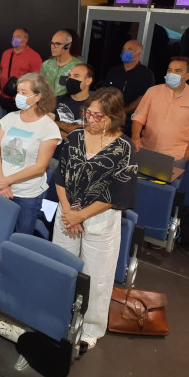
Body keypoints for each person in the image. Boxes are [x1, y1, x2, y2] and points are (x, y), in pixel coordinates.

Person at [53, 87, 138, 350]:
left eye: (97, 116)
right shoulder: (75, 137)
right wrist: (69, 212)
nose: (89, 119)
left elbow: (117, 194)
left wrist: (82, 215)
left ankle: (91, 328)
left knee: (97, 275)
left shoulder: (125, 148)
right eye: (87, 113)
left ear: (113, 117)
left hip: (100, 218)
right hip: (67, 214)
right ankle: (57, 316)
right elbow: (60, 176)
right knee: (62, 269)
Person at [0, 73, 60, 234]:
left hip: (27, 195)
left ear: (38, 97)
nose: (18, 96)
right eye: (18, 91)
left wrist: (7, 181)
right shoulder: (10, 118)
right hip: (0, 187)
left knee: (21, 238)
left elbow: (40, 167)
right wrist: (2, 183)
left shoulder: (48, 128)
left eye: (24, 93)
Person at [132, 56, 189, 169]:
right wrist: (135, 136)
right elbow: (138, 118)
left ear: (188, 76)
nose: (172, 74)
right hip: (145, 150)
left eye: (178, 71)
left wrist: (185, 158)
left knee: (167, 187)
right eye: (169, 70)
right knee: (140, 185)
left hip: (175, 157)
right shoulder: (153, 92)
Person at [99, 40, 155, 132]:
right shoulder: (114, 71)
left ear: (138, 54)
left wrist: (123, 111)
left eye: (129, 49)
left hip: (130, 120)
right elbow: (105, 92)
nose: (125, 52)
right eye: (123, 49)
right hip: (108, 115)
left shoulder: (146, 74)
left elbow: (143, 98)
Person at [0, 28, 42, 113]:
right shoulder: (6, 53)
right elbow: (0, 71)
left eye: (18, 36)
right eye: (13, 37)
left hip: (21, 99)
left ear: (26, 39)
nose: (14, 39)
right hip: (3, 97)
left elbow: (37, 79)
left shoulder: (34, 56)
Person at [53, 63, 94, 139]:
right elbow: (48, 128)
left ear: (88, 81)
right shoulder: (56, 100)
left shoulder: (96, 105)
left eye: (76, 76)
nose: (70, 79)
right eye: (69, 76)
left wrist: (58, 123)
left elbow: (88, 133)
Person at [40, 29, 83, 96]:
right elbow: (41, 86)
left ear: (67, 46)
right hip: (47, 103)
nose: (52, 47)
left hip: (66, 104)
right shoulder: (46, 65)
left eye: (57, 44)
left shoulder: (78, 67)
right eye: (52, 43)